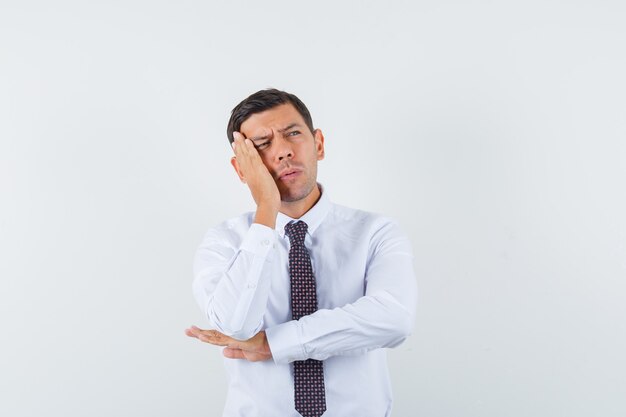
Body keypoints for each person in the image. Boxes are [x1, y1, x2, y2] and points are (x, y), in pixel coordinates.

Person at [185, 88, 418, 417]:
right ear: (242, 170)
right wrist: (267, 209)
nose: (282, 152)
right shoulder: (224, 241)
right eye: (262, 145)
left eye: (293, 134)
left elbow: (394, 319)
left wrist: (273, 343)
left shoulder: (375, 233)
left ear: (318, 144)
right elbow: (236, 328)